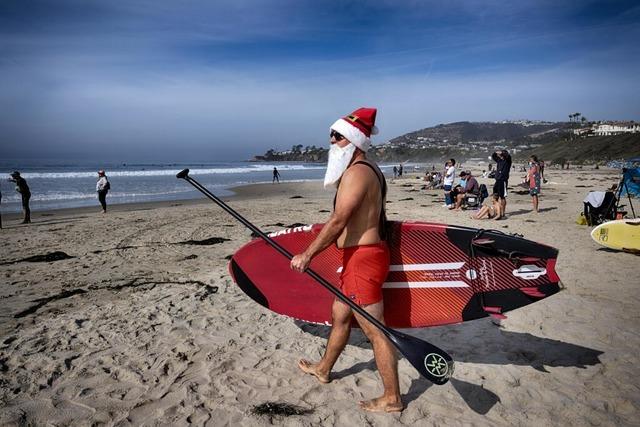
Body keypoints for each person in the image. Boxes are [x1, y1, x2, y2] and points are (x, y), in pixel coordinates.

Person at [290, 107, 402, 413]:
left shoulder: (357, 173)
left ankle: (392, 397)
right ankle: (325, 368)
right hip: (361, 256)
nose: (331, 142)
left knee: (375, 330)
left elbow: (339, 221)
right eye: (331, 136)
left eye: (337, 137)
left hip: (363, 260)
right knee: (340, 314)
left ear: (352, 140)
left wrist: (308, 254)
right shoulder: (370, 169)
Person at [491, 150, 512, 220]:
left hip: (503, 180)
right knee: (495, 195)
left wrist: (501, 152)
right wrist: (496, 152)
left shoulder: (507, 161)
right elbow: (493, 156)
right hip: (497, 180)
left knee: (502, 197)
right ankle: (496, 211)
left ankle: (503, 213)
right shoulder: (499, 160)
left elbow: (508, 156)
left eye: (501, 154)